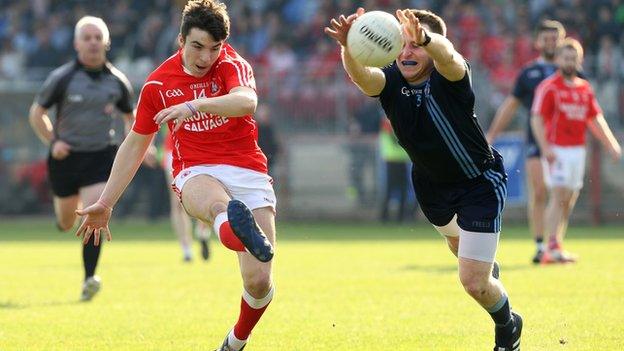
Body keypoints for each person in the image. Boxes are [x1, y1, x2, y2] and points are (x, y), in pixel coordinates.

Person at [75, 1, 275, 350]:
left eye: (214, 48)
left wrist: (194, 105)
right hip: (195, 169)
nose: (205, 57)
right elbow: (135, 144)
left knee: (259, 280)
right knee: (217, 206)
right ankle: (229, 224)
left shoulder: (232, 64)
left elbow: (246, 102)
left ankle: (236, 340)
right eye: (197, 46)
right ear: (181, 40)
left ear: (223, 46)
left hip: (247, 169)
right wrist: (106, 202)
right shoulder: (158, 84)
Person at [325, 8, 522, 350]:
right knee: (460, 251)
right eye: (401, 44)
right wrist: (349, 47)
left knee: (473, 282)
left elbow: (448, 55)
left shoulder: (450, 75)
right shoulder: (390, 80)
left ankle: (508, 325)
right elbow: (362, 78)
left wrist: (428, 40)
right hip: (430, 185)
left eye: (414, 45)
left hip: (478, 183)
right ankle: (484, 269)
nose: (406, 51)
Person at [28, 16, 134, 302]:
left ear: (106, 43)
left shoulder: (117, 82)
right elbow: (37, 113)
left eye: (98, 37)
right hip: (65, 159)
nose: (92, 42)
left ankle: (89, 277)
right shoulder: (61, 78)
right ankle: (66, 216)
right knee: (65, 222)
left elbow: (131, 118)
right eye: (86, 37)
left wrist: (132, 146)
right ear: (76, 44)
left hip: (100, 158)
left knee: (94, 214)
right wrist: (54, 142)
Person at [531, 38, 622, 264]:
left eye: (574, 58)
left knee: (570, 198)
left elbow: (595, 119)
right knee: (559, 194)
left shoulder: (584, 88)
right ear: (558, 59)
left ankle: (556, 244)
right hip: (557, 149)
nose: (570, 61)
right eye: (566, 57)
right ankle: (551, 247)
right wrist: (545, 148)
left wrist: (611, 144)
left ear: (579, 60)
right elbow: (536, 119)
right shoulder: (549, 87)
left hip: (577, 150)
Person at [485, 20, 566, 264]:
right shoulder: (529, 73)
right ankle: (541, 245)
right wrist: (492, 134)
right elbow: (510, 105)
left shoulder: (571, 70)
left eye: (555, 38)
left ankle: (556, 243)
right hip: (536, 140)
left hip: (566, 142)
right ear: (537, 42)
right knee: (540, 191)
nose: (551, 42)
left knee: (564, 195)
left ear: (561, 41)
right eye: (546, 38)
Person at [161, 130, 211, 262]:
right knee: (177, 200)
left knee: (204, 197)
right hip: (173, 148)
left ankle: (202, 232)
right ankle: (186, 250)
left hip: (199, 146)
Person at [379, 118, 411, 223]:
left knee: (397, 190)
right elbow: (396, 140)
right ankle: (388, 217)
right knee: (396, 190)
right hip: (393, 160)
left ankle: (394, 217)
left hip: (397, 160)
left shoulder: (390, 122)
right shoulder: (388, 123)